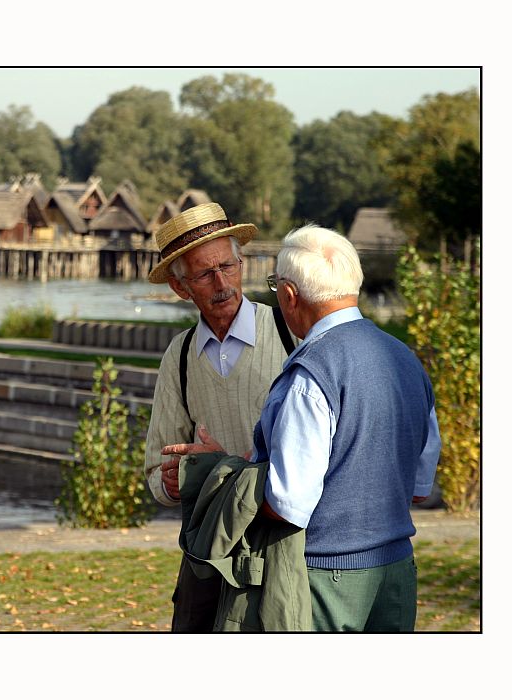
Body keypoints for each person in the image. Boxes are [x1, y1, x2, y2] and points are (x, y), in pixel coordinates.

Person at [165, 224, 441, 632]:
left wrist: (222, 473)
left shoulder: (311, 375)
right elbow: (420, 487)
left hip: (324, 577)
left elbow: (288, 504)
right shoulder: (406, 361)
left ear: (290, 296)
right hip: (397, 569)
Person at [144, 202, 295, 632]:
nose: (222, 283)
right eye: (204, 274)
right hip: (209, 554)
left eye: (227, 266)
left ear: (241, 263)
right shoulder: (179, 358)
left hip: (285, 547)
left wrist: (222, 467)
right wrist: (171, 482)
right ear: (181, 288)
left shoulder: (290, 334)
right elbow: (156, 470)